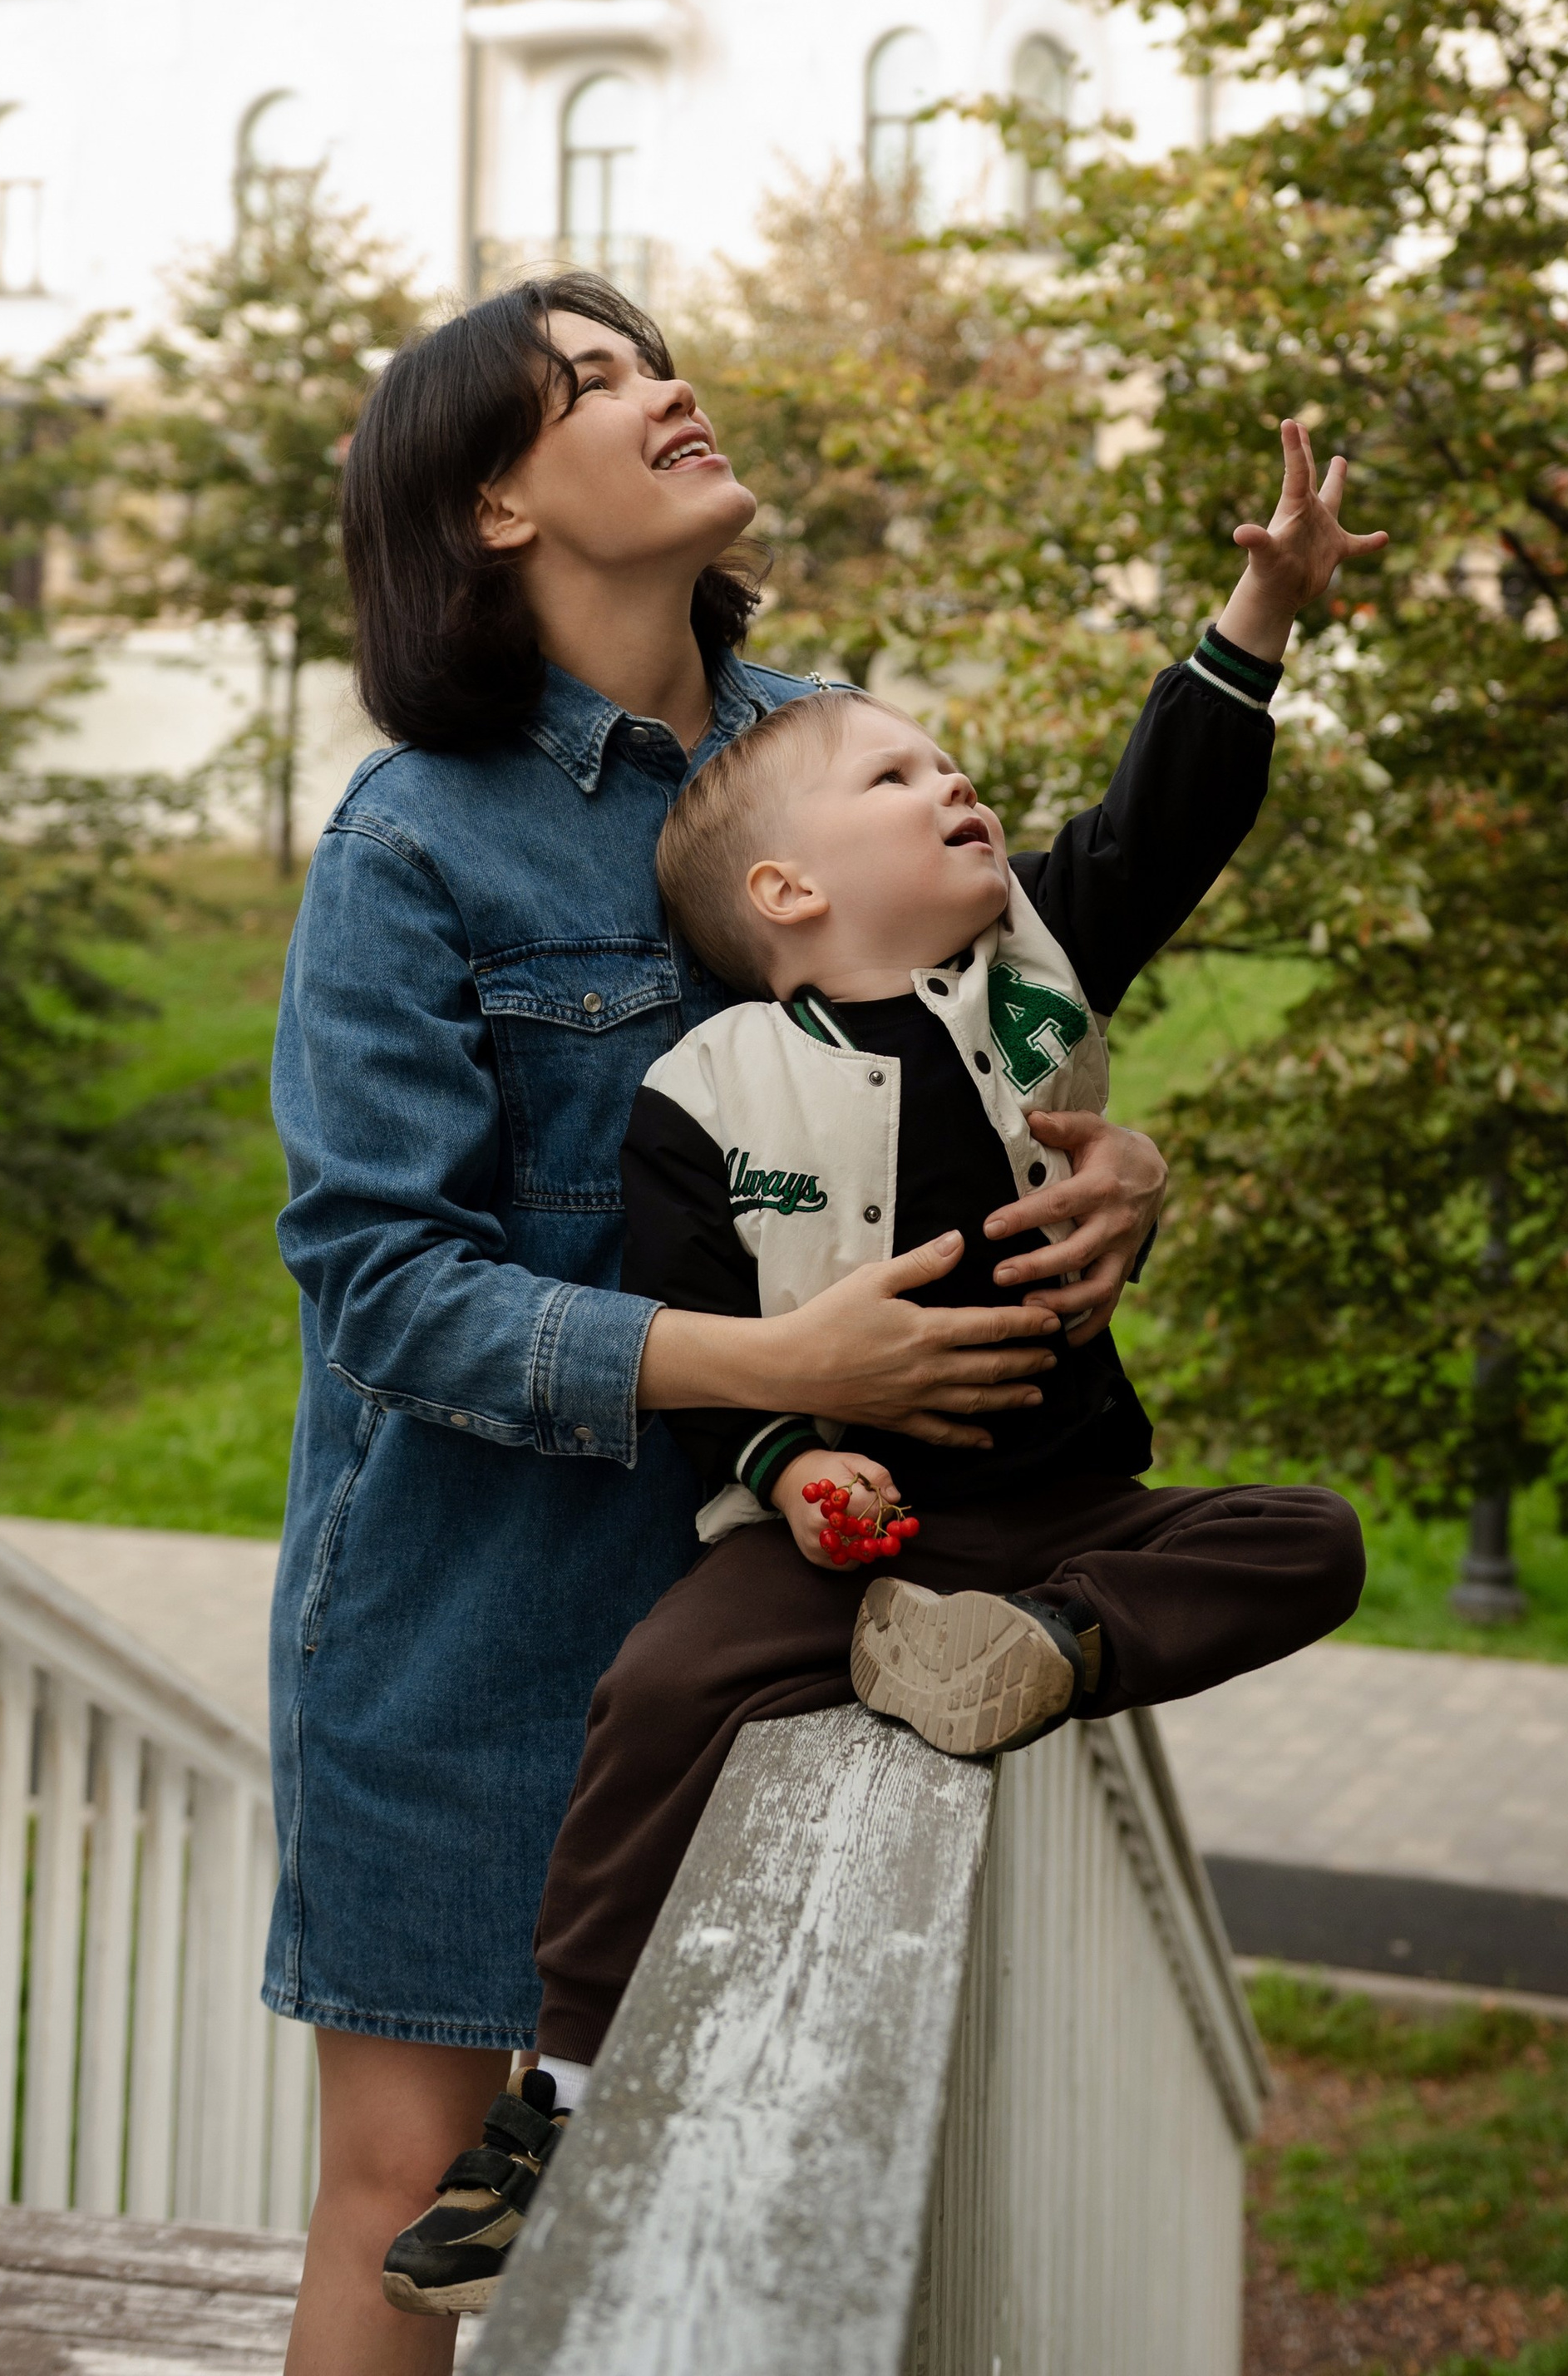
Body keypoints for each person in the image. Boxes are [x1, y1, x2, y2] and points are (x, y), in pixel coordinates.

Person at [266, 274, 1172, 2374]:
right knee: (411, 2192)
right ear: (492, 505)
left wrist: (1117, 1160)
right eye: (585, 382)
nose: (661, 388)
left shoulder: (825, 738)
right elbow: (379, 1283)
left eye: (651, 356)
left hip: (799, 1588)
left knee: (717, 2181)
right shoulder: (411, 841)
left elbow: (1001, 1038)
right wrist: (774, 1368)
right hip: (469, 1618)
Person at [382, 420, 1378, 2323]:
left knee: (1305, 1537)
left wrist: (1256, 613)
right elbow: (693, 1322)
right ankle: (558, 2096)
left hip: (1061, 1508)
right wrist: (792, 1458)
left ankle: (1041, 1650)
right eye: (896, 775)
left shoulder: (1031, 988)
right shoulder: (707, 1093)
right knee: (658, 1684)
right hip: (849, 1533)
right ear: (782, 891)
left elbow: (1162, 818)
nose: (951, 781)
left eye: (944, 763)